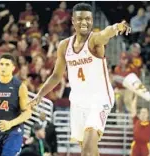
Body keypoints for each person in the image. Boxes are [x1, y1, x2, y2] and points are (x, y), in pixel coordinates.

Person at [29, 3, 131, 156]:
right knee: (87, 149)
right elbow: (56, 75)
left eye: (88, 19)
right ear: (73, 21)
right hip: (78, 101)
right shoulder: (64, 46)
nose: (84, 22)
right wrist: (39, 95)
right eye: (80, 19)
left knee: (88, 148)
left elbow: (105, 33)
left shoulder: (94, 41)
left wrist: (117, 27)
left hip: (99, 98)